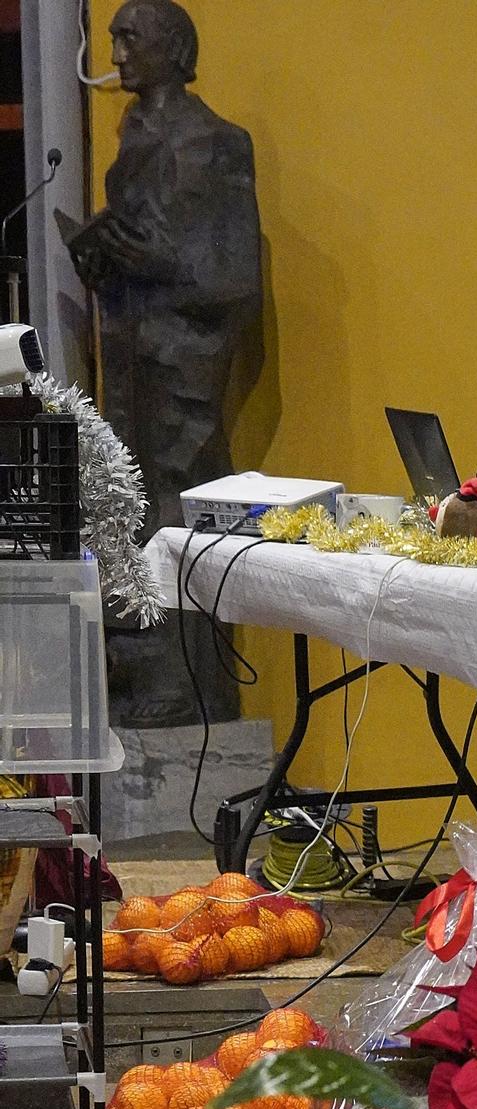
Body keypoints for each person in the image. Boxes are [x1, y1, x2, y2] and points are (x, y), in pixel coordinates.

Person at [66, 0, 261, 724]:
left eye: (129, 38)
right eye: (113, 36)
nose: (115, 54)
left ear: (174, 48)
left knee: (178, 510)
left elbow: (234, 276)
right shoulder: (134, 139)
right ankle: (144, 675)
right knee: (129, 511)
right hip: (131, 364)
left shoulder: (217, 141)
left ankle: (185, 688)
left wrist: (157, 261)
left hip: (183, 373)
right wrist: (101, 259)